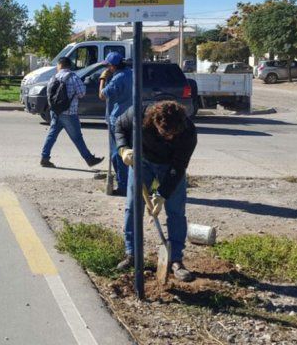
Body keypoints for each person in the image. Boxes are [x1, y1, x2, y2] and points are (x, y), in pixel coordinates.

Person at [113, 101, 197, 282]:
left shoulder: (188, 132)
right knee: (133, 207)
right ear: (155, 122)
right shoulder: (139, 113)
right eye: (165, 133)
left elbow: (179, 167)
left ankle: (175, 260)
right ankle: (132, 254)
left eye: (173, 134)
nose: (170, 138)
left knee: (176, 211)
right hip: (141, 161)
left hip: (171, 166)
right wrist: (123, 149)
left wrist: (162, 195)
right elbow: (118, 125)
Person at [40, 56, 104, 169]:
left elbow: (48, 94)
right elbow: (81, 93)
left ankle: (44, 158)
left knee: (52, 135)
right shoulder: (73, 77)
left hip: (55, 112)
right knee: (77, 137)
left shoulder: (53, 77)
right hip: (69, 113)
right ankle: (89, 159)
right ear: (69, 66)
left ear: (60, 65)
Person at [98, 52, 133, 196]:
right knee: (129, 151)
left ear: (112, 66)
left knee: (117, 153)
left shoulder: (118, 78)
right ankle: (131, 184)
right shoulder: (131, 73)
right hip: (132, 117)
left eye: (108, 66)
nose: (107, 68)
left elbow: (102, 95)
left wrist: (102, 79)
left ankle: (123, 186)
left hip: (118, 119)